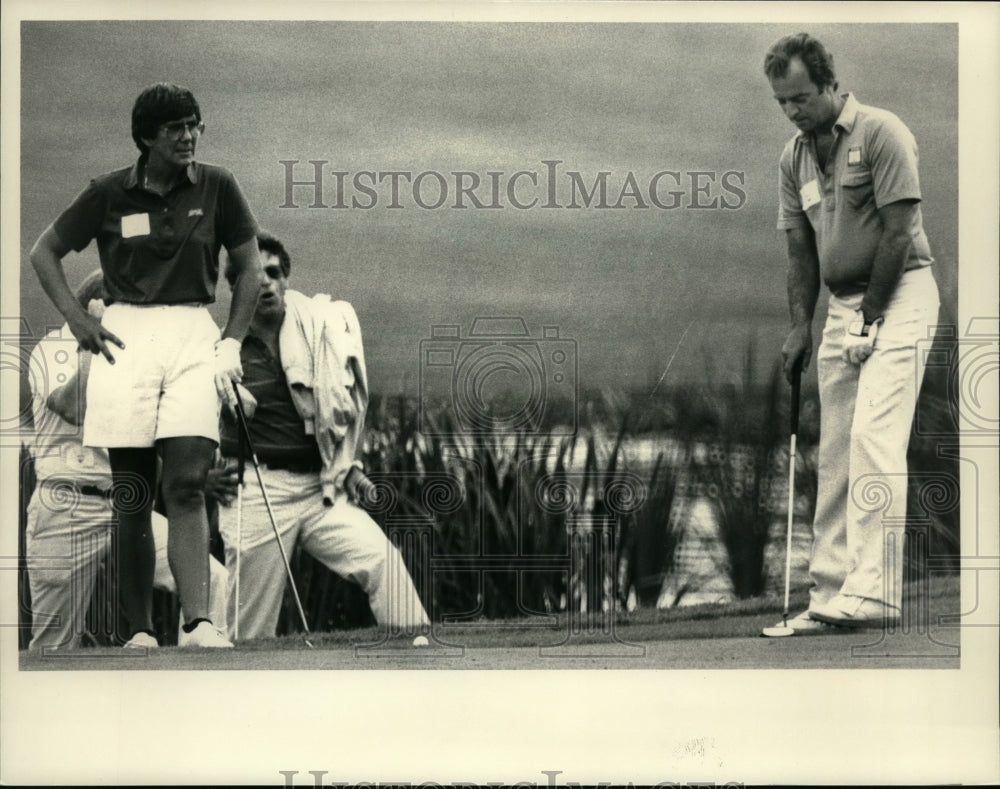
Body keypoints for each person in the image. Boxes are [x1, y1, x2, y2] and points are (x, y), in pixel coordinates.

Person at [29, 83, 262, 648]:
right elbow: (45, 252)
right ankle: (138, 632)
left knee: (186, 483)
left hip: (191, 331)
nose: (188, 137)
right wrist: (78, 319)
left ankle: (198, 622)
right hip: (125, 333)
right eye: (175, 129)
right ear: (146, 138)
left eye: (195, 125)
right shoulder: (108, 192)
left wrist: (231, 342)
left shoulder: (219, 185)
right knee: (133, 488)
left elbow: (249, 268)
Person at [764, 34, 940, 632]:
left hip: (902, 294)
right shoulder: (793, 159)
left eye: (803, 97)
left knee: (873, 436)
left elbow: (896, 234)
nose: (794, 111)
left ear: (830, 83)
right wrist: (799, 327)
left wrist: (870, 318)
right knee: (836, 449)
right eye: (783, 101)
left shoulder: (882, 132)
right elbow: (799, 250)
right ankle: (832, 593)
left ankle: (876, 591)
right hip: (842, 306)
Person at [211, 232, 431, 643]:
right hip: (259, 489)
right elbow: (186, 422)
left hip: (320, 486)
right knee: (247, 630)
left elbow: (337, 412)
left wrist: (349, 466)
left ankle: (417, 662)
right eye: (255, 276)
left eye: (274, 274)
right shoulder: (222, 347)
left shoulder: (317, 331)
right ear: (236, 286)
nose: (266, 284)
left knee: (382, 560)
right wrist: (201, 478)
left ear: (287, 279)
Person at [24, 271, 229, 650]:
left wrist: (189, 479)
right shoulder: (50, 351)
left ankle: (200, 668)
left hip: (127, 505)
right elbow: (74, 407)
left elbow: (146, 440)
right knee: (53, 647)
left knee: (213, 580)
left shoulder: (133, 352)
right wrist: (95, 337)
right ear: (99, 307)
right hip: (65, 508)